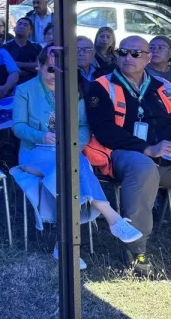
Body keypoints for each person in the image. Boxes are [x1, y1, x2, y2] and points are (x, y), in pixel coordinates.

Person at [13, 46, 142, 270]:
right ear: (39, 67)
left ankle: (64, 246)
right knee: (72, 166)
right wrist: (41, 134)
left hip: (66, 152)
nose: (56, 75)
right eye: (50, 69)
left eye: (61, 70)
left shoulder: (74, 91)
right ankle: (111, 216)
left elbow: (83, 127)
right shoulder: (25, 90)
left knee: (71, 165)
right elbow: (18, 127)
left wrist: (75, 145)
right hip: (35, 152)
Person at [85, 36, 171, 276]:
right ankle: (136, 249)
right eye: (123, 52)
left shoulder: (163, 87)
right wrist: (147, 149)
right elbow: (104, 130)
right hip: (121, 154)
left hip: (164, 155)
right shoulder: (100, 86)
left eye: (135, 53)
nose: (128, 57)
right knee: (143, 167)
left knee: (148, 166)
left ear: (148, 58)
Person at [3, 17, 42, 85]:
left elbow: (39, 65)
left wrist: (17, 64)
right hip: (11, 83)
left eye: (25, 25)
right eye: (19, 24)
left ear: (30, 31)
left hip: (32, 82)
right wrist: (30, 66)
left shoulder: (36, 47)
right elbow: (4, 67)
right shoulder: (5, 47)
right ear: (14, 28)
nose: (21, 26)